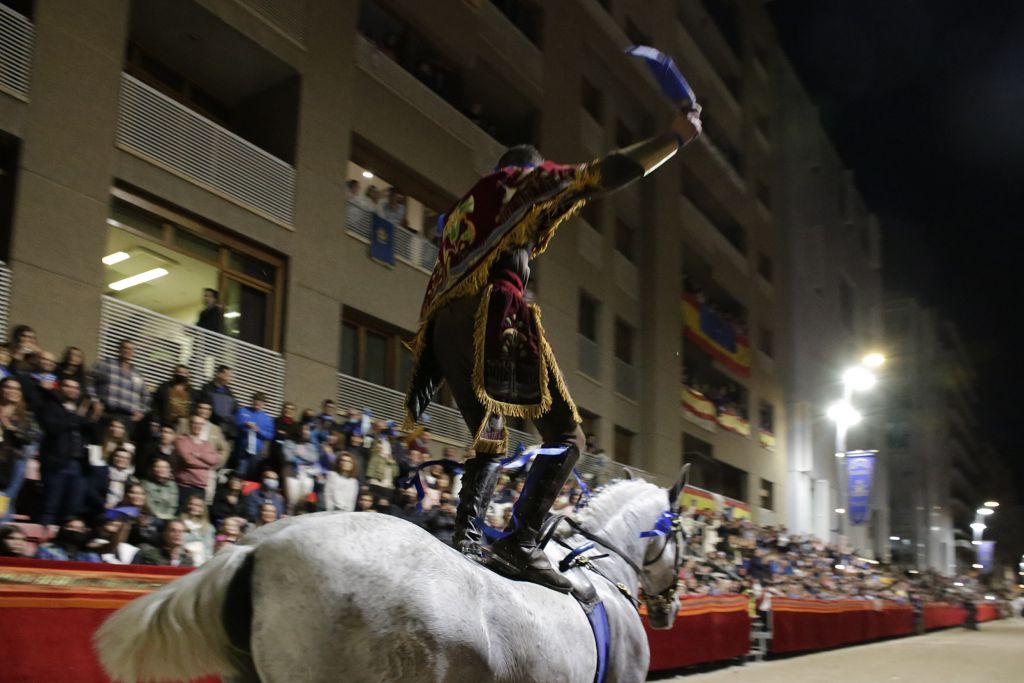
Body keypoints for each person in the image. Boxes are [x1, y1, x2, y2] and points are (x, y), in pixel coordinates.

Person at [402, 105, 702, 591]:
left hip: (444, 327)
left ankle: (468, 538)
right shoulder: (517, 184)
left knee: (489, 433)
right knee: (568, 436)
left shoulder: (465, 210)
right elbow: (591, 178)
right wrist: (671, 140)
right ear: (525, 170)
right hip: (491, 313)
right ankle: (520, 543)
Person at [36, 378, 102, 527]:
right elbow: (51, 427)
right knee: (50, 507)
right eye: (68, 386)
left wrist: (94, 419)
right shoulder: (50, 406)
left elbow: (94, 437)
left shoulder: (83, 414)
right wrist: (77, 418)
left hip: (79, 465)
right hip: (56, 463)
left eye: (75, 387)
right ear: (60, 388)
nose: (72, 390)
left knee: (72, 510)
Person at [0, 376, 38, 522]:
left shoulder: (26, 416)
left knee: (4, 504)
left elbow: (31, 437)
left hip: (9, 468)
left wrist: (10, 427)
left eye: (16, 388)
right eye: (8, 387)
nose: (12, 391)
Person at [92, 339, 149, 433]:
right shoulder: (106, 364)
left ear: (133, 353)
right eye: (124, 348)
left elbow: (146, 396)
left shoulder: (137, 374)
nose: (127, 351)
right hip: (106, 413)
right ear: (118, 349)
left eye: (130, 349)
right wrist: (95, 401)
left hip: (127, 419)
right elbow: (90, 381)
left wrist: (141, 411)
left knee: (123, 447)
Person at [173, 414, 220, 507]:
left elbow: (215, 460)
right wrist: (207, 463)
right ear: (190, 424)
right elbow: (188, 460)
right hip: (185, 486)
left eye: (200, 424)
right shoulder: (182, 440)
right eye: (195, 423)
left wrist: (199, 455)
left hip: (200, 487)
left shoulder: (208, 444)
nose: (198, 426)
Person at [233, 392, 274, 478]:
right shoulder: (242, 411)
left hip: (257, 452)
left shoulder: (267, 418)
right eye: (256, 401)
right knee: (239, 474)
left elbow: (270, 436)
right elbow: (235, 424)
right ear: (252, 401)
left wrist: (259, 430)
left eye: (260, 402)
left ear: (264, 404)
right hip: (242, 450)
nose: (257, 404)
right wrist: (244, 425)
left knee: (252, 476)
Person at [200, 365, 239, 444]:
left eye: (230, 376)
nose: (230, 378)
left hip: (224, 429)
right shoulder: (207, 388)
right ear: (219, 374)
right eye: (228, 375)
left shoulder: (229, 392)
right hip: (209, 426)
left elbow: (234, 408)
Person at [37, 518, 101, 562]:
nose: (75, 531)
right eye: (71, 527)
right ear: (62, 529)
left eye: (80, 529)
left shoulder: (90, 553)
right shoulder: (46, 548)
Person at [179, 494, 215, 565]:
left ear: (203, 509)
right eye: (192, 504)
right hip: (184, 559)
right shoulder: (180, 523)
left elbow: (208, 548)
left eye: (198, 506)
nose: (194, 507)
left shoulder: (209, 527)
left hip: (201, 561)